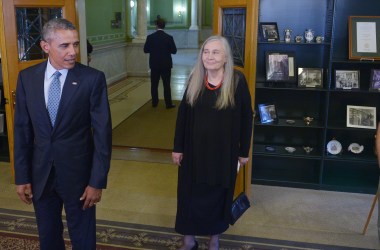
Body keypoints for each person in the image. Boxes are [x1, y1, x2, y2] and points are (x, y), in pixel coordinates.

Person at [13, 18, 112, 250]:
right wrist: (22, 176)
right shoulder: (27, 78)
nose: (73, 52)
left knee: (83, 237)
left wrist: (96, 181)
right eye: (64, 46)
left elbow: (102, 135)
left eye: (76, 45)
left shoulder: (92, 79)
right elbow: (22, 131)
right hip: (41, 175)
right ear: (46, 46)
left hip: (79, 176)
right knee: (47, 236)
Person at [172, 35, 253, 250]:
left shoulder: (237, 81)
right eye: (206, 52)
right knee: (189, 195)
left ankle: (214, 238)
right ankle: (188, 239)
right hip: (193, 152)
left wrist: (244, 151)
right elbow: (182, 116)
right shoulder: (195, 78)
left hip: (223, 154)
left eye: (215, 52)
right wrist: (177, 147)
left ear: (226, 57)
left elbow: (247, 116)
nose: (209, 56)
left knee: (218, 196)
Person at [144, 18, 177, 109]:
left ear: (156, 26)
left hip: (154, 65)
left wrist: (154, 50)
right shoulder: (169, 37)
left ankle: (155, 102)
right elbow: (174, 51)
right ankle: (168, 104)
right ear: (164, 26)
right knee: (166, 85)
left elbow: (145, 50)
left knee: (154, 84)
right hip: (166, 65)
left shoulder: (150, 37)